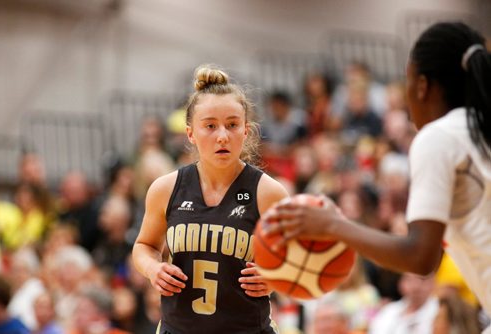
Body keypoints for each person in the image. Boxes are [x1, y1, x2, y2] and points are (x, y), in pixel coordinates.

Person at [265, 22, 491, 333]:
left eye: (406, 82)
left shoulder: (439, 137)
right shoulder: (476, 129)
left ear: (422, 85)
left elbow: (419, 257)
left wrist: (332, 225)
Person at [132, 64, 289, 334]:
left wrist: (277, 277)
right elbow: (144, 245)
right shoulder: (165, 189)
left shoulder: (269, 193)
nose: (222, 136)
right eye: (210, 126)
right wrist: (152, 269)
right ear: (191, 133)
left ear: (246, 131)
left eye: (232, 125)